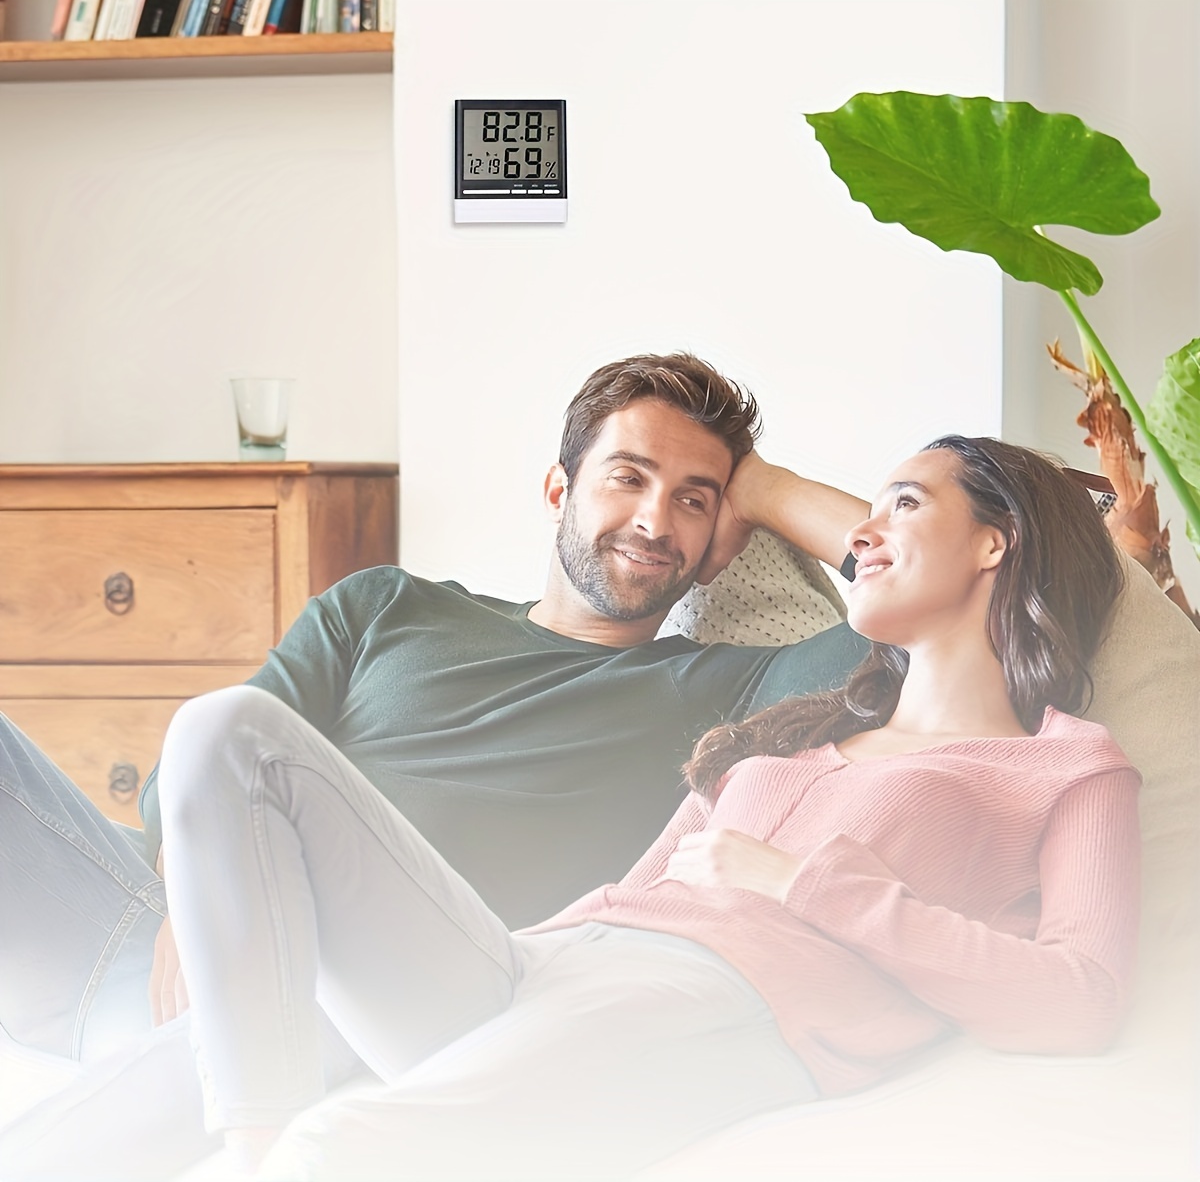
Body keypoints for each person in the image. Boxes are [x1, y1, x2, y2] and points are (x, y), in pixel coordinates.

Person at [149, 434, 1139, 1180]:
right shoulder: (796, 726)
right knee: (227, 732)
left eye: (905, 505)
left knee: (344, 1147)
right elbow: (631, 896)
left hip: (722, 1002)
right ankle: (254, 1134)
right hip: (550, 959)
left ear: (994, 546)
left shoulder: (1063, 767)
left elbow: (1081, 999)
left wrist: (807, 885)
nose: (865, 534)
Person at [0, 353, 868, 1173]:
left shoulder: (729, 687)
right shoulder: (386, 605)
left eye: (694, 500)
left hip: (346, 995)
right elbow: (195, 775)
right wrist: (188, 912)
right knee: (213, 732)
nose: (653, 520)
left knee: (227, 729)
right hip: (160, 949)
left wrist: (764, 485)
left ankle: (252, 1144)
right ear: (559, 489)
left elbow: (939, 606)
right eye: (629, 477)